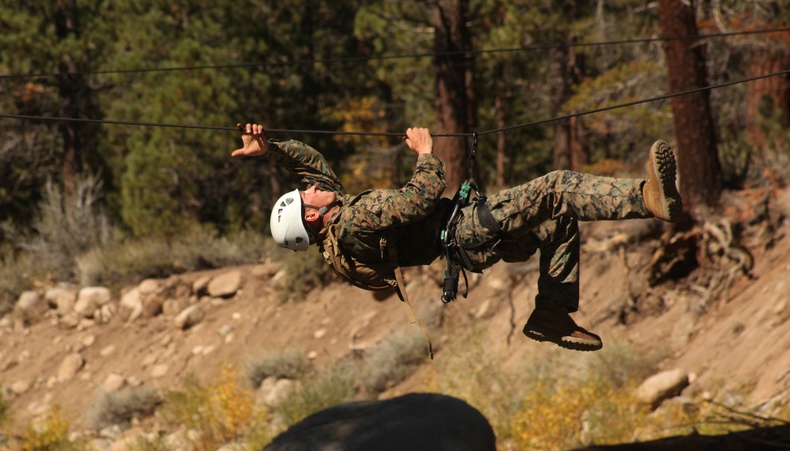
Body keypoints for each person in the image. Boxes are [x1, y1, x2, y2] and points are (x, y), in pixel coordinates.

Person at [231, 122, 681, 352]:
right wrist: (426, 154)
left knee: (557, 220)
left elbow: (314, 168)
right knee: (557, 186)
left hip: (466, 246)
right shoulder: (356, 218)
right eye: (307, 194)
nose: (313, 188)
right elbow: (420, 200)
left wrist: (271, 149)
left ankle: (551, 313)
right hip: (467, 229)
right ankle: (647, 200)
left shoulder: (342, 228)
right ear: (311, 217)